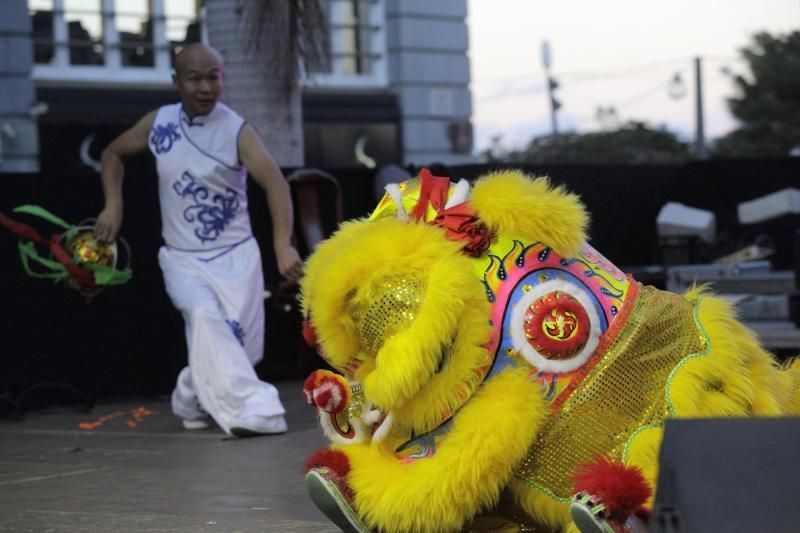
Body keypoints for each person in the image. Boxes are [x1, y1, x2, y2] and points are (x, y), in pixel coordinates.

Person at [94, 43, 303, 437]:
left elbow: (275, 184)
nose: (207, 87)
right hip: (183, 260)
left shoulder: (237, 130)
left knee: (237, 351)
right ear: (177, 82)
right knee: (206, 319)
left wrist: (282, 244)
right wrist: (113, 204)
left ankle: (189, 394)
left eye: (214, 76)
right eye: (195, 78)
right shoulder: (159, 123)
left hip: (237, 258)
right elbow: (112, 154)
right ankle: (256, 412)